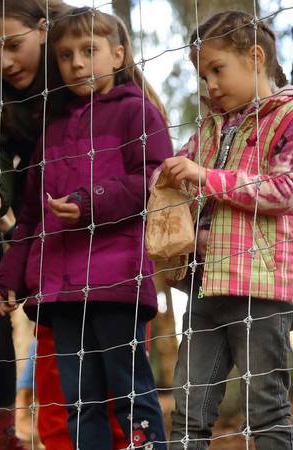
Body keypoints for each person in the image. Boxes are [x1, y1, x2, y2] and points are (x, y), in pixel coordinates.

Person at [0, 7, 170, 449]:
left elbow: (152, 180)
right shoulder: (51, 129)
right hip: (61, 291)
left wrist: (90, 204)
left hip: (117, 284)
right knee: (79, 401)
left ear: (117, 55)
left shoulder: (138, 113)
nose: (76, 63)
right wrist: (9, 278)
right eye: (66, 54)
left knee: (131, 393)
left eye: (88, 51)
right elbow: (31, 216)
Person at [0, 2, 132, 449]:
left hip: (118, 256)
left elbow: (145, 167)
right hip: (54, 261)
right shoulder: (0, 99)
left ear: (43, 30)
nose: (5, 63)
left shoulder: (98, 76)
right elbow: (13, 178)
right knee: (63, 384)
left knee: (124, 382)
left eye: (13, 46)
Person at [161, 11, 293, 450]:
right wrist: (170, 180)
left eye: (217, 69)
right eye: (203, 75)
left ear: (255, 57)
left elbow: (285, 189)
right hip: (206, 287)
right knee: (187, 408)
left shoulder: (286, 116)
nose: (209, 85)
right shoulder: (212, 126)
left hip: (263, 291)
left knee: (266, 409)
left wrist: (205, 177)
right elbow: (182, 178)